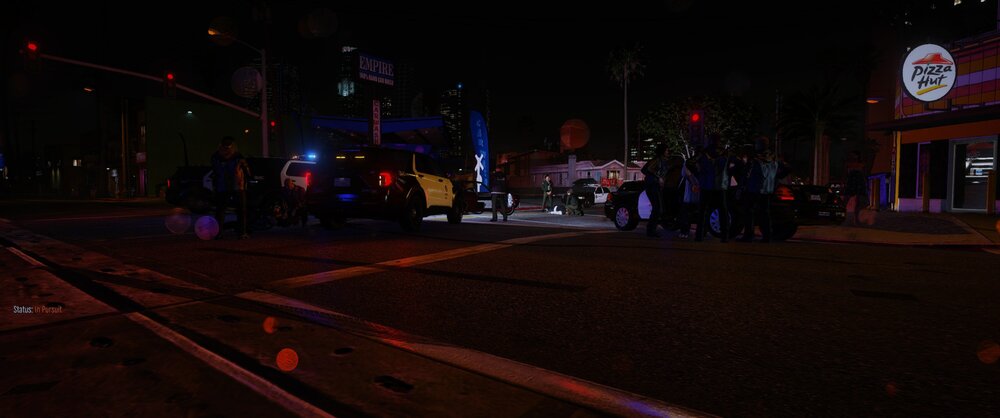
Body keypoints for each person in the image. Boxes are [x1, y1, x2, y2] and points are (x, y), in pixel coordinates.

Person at [738, 136, 788, 243]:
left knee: (749, 212)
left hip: (754, 190)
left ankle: (749, 235)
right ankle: (767, 236)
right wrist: (775, 178)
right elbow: (786, 169)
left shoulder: (754, 159)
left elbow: (746, 175)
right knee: (764, 214)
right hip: (768, 190)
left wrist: (742, 188)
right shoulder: (774, 158)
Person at [211, 136, 251, 239]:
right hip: (237, 186)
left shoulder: (215, 156)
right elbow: (247, 172)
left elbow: (215, 172)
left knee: (220, 210)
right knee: (241, 210)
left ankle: (218, 233)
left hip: (222, 186)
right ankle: (242, 233)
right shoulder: (238, 156)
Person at [695, 134, 731, 242]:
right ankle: (724, 237)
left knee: (702, 211)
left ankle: (699, 235)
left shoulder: (704, 152)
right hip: (720, 186)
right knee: (723, 211)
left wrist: (699, 175)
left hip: (706, 185)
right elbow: (735, 165)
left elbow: (690, 162)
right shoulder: (725, 153)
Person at [640, 144, 670, 237]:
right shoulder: (657, 160)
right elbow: (647, 169)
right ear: (662, 151)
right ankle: (651, 230)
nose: (668, 152)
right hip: (653, 186)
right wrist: (658, 178)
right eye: (666, 150)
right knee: (657, 208)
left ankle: (651, 229)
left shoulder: (662, 161)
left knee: (657, 208)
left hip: (655, 186)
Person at [844, 150, 868, 226]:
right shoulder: (849, 164)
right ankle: (843, 216)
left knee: (859, 202)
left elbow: (864, 173)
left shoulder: (860, 165)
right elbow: (846, 173)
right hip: (852, 182)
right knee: (846, 200)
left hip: (858, 182)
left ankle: (856, 220)